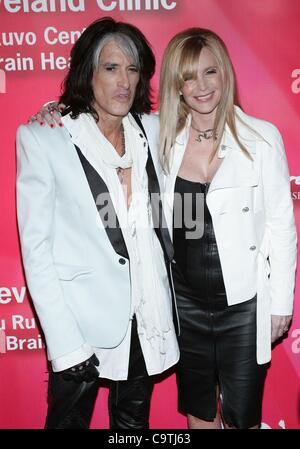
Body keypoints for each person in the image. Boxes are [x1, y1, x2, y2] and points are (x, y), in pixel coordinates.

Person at [16, 17, 179, 430]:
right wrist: (65, 343)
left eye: (133, 69)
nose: (124, 81)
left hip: (147, 316)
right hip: (81, 324)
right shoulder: (46, 138)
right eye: (111, 68)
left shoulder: (152, 130)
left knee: (132, 427)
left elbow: (208, 115)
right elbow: (36, 252)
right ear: (88, 72)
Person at [159, 28, 297, 429]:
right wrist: (53, 115)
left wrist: (280, 305)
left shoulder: (261, 138)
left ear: (226, 75)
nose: (200, 86)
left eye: (210, 72)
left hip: (244, 304)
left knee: (242, 418)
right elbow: (103, 123)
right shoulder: (161, 138)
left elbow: (282, 227)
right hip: (185, 304)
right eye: (188, 76)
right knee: (199, 414)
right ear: (176, 85)